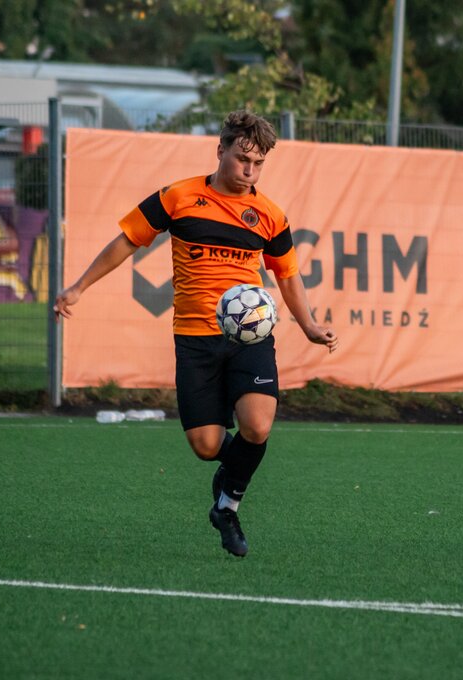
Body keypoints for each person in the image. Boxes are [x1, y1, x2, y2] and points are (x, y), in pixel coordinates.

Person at [54, 110, 338, 558]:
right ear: (220, 150)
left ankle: (227, 507)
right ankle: (231, 470)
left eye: (259, 163)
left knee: (257, 426)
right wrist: (78, 287)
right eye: (243, 159)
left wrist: (309, 326)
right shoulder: (178, 197)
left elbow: (287, 275)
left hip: (249, 337)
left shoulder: (269, 215)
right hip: (194, 337)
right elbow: (126, 241)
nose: (250, 170)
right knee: (206, 447)